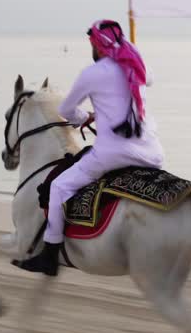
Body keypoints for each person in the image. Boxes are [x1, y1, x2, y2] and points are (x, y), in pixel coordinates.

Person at [35, 19, 164, 273]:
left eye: (92, 44)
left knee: (59, 187)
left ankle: (50, 255)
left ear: (97, 45)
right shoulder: (138, 67)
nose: (91, 49)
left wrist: (84, 118)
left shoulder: (92, 73)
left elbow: (65, 109)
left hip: (113, 155)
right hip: (152, 154)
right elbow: (143, 83)